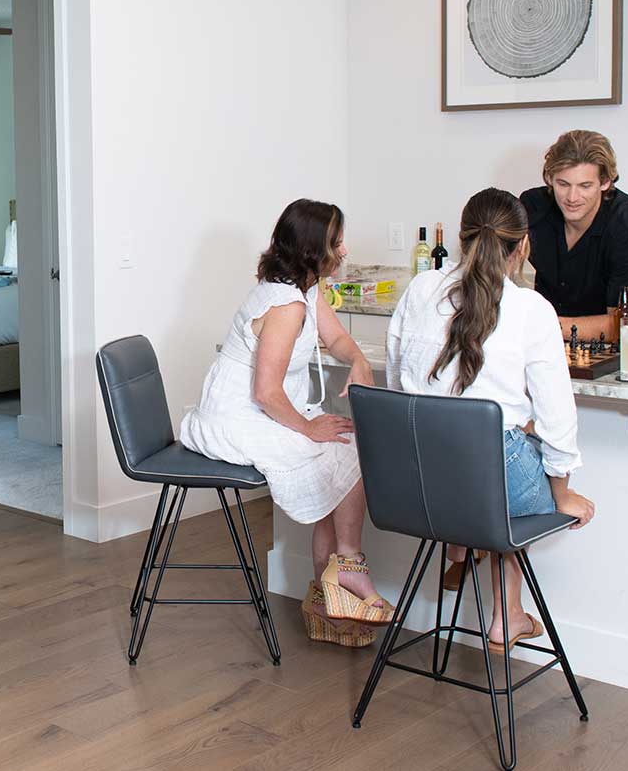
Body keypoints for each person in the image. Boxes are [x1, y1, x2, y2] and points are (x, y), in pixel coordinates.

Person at [386, 189, 595, 651]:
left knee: (487, 458)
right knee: (504, 477)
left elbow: (399, 381)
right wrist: (564, 494)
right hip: (487, 480)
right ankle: (507, 615)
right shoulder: (532, 310)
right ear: (523, 247)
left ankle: (464, 551)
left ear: (462, 240)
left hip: (421, 478)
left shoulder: (420, 288)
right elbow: (558, 416)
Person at [180, 199, 393, 646]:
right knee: (339, 449)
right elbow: (266, 392)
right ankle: (348, 568)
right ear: (314, 250)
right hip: (235, 418)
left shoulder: (305, 291)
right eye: (336, 242)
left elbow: (334, 336)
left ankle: (326, 592)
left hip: (262, 411)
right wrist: (309, 427)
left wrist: (357, 360)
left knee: (346, 451)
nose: (344, 249)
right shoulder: (285, 304)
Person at [519, 129, 628, 343]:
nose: (572, 197)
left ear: (605, 182)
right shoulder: (532, 207)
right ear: (550, 179)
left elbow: (623, 324)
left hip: (599, 349)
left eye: (585, 186)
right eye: (563, 184)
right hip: (543, 343)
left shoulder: (627, 221)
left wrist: (543, 327)